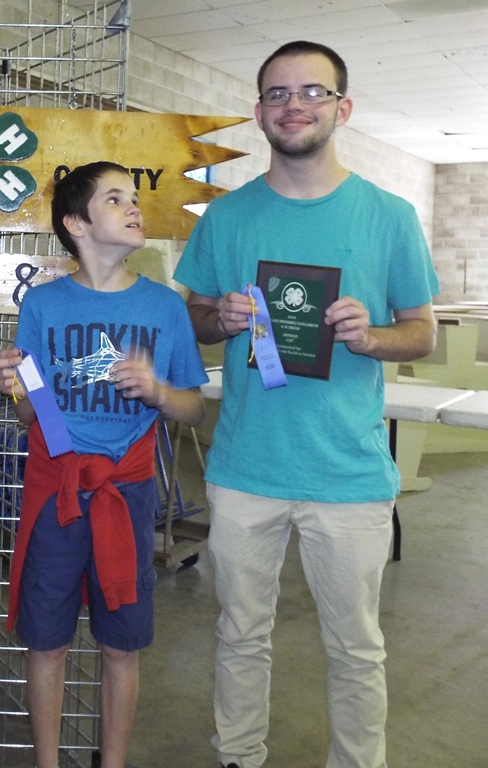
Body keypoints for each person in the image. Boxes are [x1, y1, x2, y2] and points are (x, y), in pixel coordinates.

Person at [173, 41, 439, 768]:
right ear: (260, 112)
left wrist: (372, 336)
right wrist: (218, 319)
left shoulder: (388, 216)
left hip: (348, 473)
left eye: (313, 92)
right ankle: (238, 756)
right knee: (239, 633)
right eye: (278, 94)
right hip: (245, 467)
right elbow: (191, 316)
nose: (295, 105)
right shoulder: (226, 218)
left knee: (356, 647)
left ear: (342, 108)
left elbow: (421, 332)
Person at [0, 161, 207, 768]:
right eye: (115, 199)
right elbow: (31, 416)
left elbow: (193, 408)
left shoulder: (164, 308)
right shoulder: (43, 304)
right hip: (56, 492)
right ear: (76, 224)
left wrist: (158, 392)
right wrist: (14, 388)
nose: (134, 207)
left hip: (128, 494)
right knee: (46, 641)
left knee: (121, 644)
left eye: (134, 197)